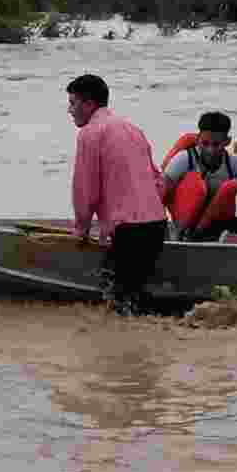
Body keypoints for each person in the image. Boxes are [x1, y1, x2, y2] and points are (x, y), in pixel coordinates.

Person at [67, 73, 168, 316]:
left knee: (119, 304)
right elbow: (158, 182)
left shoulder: (90, 133)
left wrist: (81, 228)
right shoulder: (132, 129)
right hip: (156, 225)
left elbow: (85, 189)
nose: (69, 110)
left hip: (128, 230)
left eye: (73, 103)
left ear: (89, 104)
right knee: (133, 298)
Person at [161, 112, 237, 244]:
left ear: (227, 141)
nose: (210, 150)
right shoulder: (183, 159)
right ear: (198, 139)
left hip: (220, 224)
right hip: (186, 224)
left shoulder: (236, 164)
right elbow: (160, 198)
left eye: (216, 144)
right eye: (205, 143)